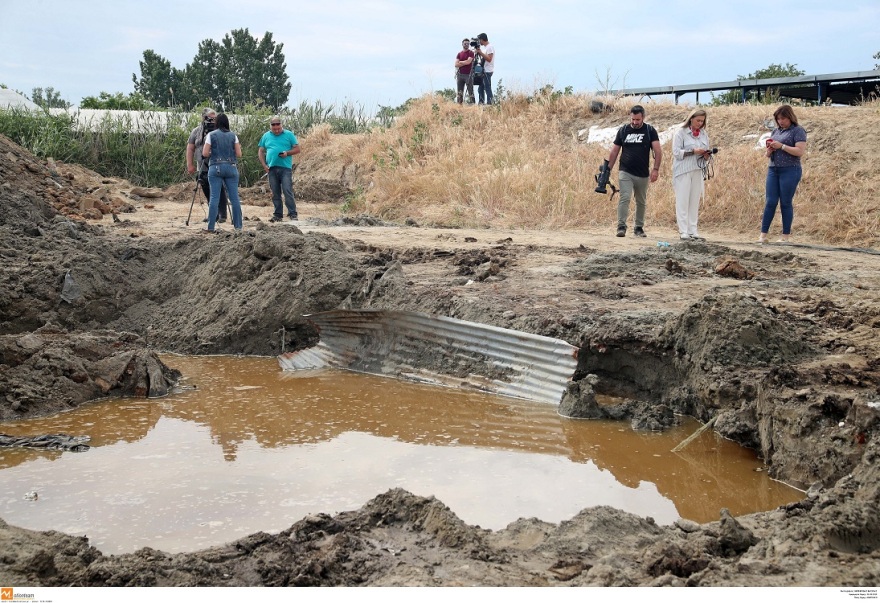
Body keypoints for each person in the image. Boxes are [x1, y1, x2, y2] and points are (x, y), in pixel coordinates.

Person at [606, 105, 662, 237]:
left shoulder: (649, 130)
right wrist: (608, 169)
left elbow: (658, 151)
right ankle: (621, 227)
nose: (635, 122)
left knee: (641, 201)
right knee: (625, 197)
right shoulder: (623, 130)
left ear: (643, 117)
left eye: (637, 119)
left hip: (642, 172)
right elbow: (615, 151)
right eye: (633, 119)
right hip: (625, 170)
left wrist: (656, 169)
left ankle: (638, 228)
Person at [760, 104, 807, 243]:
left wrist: (782, 146)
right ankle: (763, 235)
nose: (781, 121)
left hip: (790, 169)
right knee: (770, 201)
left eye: (783, 118)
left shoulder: (798, 131)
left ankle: (785, 236)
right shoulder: (775, 132)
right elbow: (768, 154)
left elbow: (800, 151)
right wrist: (769, 150)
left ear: (790, 117)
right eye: (778, 119)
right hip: (774, 169)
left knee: (785, 202)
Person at [671, 109, 711, 240]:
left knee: (694, 201)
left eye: (702, 121)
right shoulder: (680, 133)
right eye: (698, 120)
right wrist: (693, 151)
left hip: (698, 169)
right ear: (691, 119)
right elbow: (676, 152)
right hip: (683, 170)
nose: (700, 123)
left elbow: (705, 153)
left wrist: (706, 155)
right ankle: (683, 231)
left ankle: (693, 230)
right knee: (683, 200)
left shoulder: (704, 134)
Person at [201, 113, 243, 233]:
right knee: (234, 198)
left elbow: (204, 153)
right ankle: (238, 227)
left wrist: (212, 153)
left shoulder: (211, 135)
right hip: (231, 167)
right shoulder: (233, 135)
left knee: (214, 198)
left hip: (216, 167)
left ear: (217, 123)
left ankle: (211, 227)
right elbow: (239, 154)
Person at [186, 108, 228, 223]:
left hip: (217, 164)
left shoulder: (220, 131)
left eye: (214, 119)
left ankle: (222, 214)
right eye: (209, 118)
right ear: (203, 118)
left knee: (220, 188)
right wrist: (189, 164)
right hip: (202, 166)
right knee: (206, 188)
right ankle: (213, 214)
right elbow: (190, 148)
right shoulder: (196, 131)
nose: (212, 121)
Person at [258, 116, 301, 222]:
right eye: (274, 128)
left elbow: (297, 149)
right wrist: (264, 165)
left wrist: (287, 153)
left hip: (285, 168)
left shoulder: (289, 134)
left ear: (281, 125)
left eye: (278, 128)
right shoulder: (266, 136)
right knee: (275, 192)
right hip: (271, 168)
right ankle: (278, 214)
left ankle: (292, 213)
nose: (276, 130)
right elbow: (261, 151)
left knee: (287, 190)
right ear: (271, 127)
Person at [474, 33, 495, 105]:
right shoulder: (486, 48)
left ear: (482, 40)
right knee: (480, 88)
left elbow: (489, 59)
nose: (479, 42)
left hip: (488, 70)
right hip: (484, 70)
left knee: (487, 87)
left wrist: (480, 53)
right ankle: (481, 102)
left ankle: (490, 103)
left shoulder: (490, 47)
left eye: (479, 40)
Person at [454, 38, 475, 104]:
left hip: (468, 74)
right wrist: (464, 62)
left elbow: (468, 62)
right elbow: (456, 64)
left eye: (468, 44)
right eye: (465, 43)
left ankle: (473, 105)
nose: (466, 45)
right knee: (459, 92)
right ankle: (459, 105)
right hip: (460, 75)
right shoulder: (459, 54)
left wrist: (460, 62)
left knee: (470, 91)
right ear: (462, 44)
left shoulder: (471, 53)